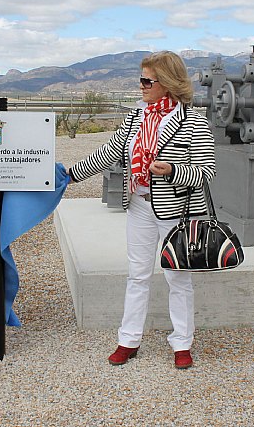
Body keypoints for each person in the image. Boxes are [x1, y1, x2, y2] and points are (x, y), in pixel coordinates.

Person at [67, 51, 215, 369]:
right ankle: (128, 340)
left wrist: (173, 171)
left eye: (147, 81)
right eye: (141, 80)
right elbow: (110, 152)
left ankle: (182, 344)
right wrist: (71, 175)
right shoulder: (137, 117)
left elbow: (206, 172)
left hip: (178, 213)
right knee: (137, 276)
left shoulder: (193, 121)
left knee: (179, 279)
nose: (141, 86)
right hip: (139, 206)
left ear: (168, 83)